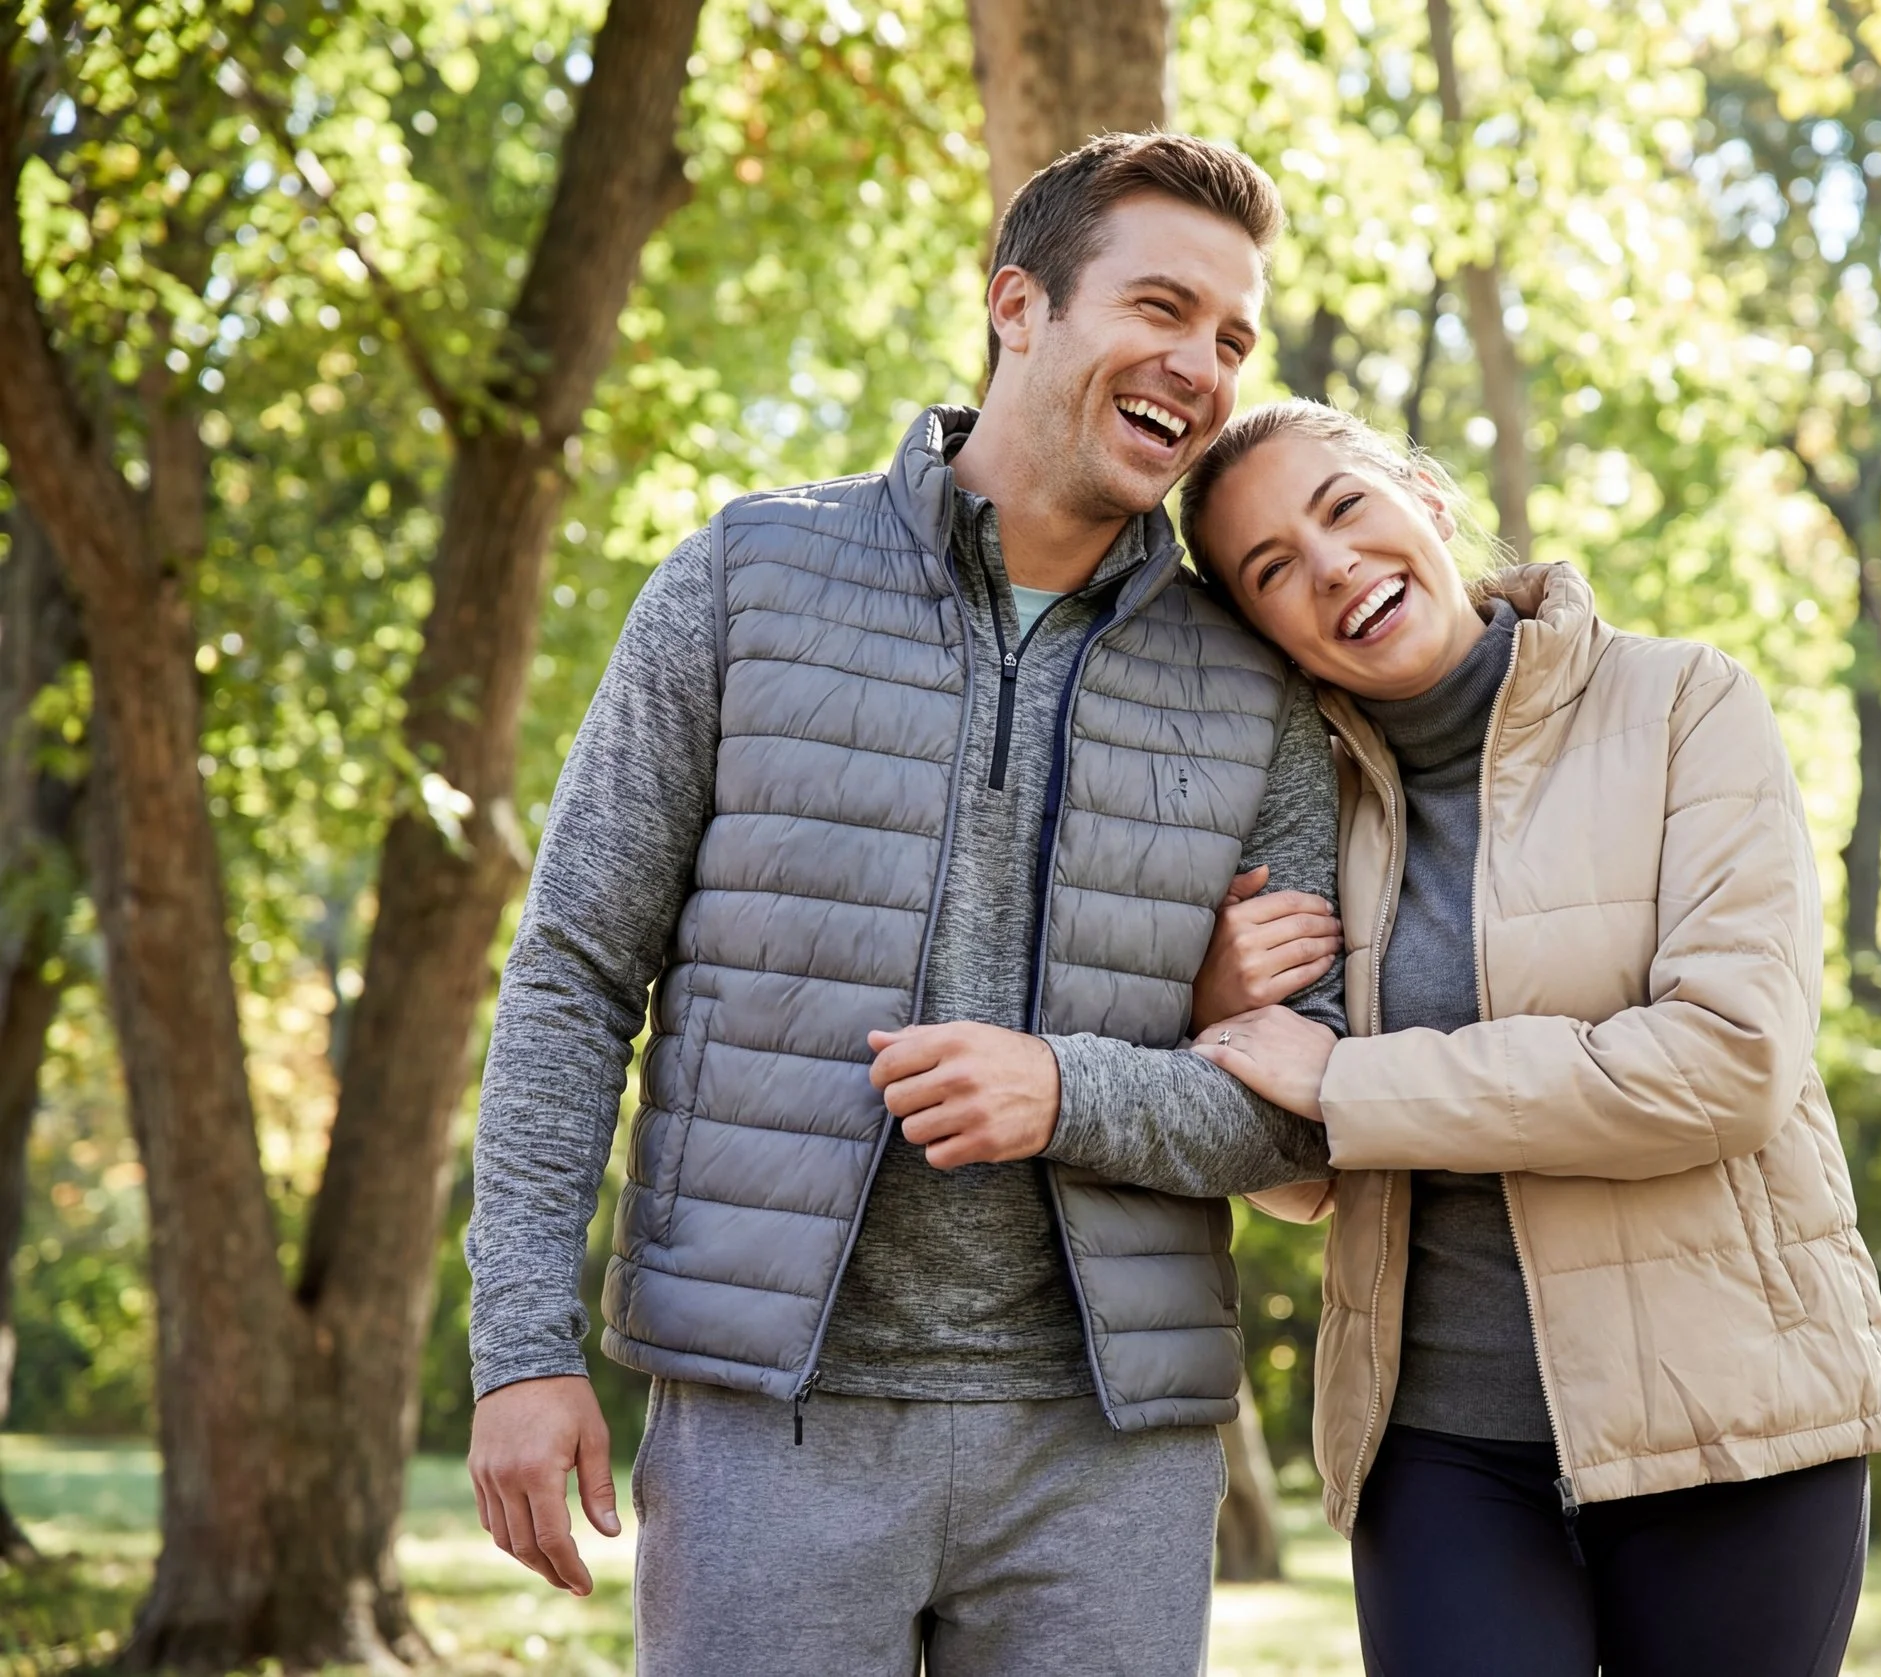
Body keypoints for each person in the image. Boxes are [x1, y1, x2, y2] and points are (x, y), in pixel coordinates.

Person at [462, 136, 1345, 1677]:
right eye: (1162, 306)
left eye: (1231, 338)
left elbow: (1296, 1109)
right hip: (766, 1425)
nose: (1201, 366)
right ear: (1019, 304)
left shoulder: (1253, 681)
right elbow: (574, 976)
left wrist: (1070, 1088)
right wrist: (522, 1347)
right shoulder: (745, 581)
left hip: (1110, 1452)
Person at [1182, 400, 1881, 1677]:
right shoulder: (1298, 808)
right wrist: (1218, 1014)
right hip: (1437, 1452)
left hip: (1730, 1416)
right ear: (1262, 633)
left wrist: (1353, 1078)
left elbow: (1728, 1066)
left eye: (1343, 507)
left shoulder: (1684, 702)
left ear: (1427, 500)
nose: (1330, 565)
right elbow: (1303, 1178)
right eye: (1272, 570)